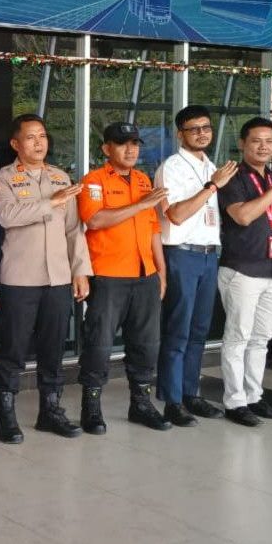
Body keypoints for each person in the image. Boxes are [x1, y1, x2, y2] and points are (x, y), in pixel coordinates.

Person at [0, 114, 90, 442]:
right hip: (20, 280)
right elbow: (6, 216)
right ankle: (6, 416)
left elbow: (74, 229)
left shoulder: (61, 178)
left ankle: (51, 411)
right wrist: (50, 203)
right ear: (16, 144)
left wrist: (80, 271)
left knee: (53, 350)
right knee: (12, 351)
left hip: (58, 279)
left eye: (43, 136)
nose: (38, 143)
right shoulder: (3, 179)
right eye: (30, 137)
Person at [76, 122, 171, 434]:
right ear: (107, 149)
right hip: (108, 277)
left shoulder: (144, 181)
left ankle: (140, 405)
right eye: (122, 144)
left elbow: (154, 230)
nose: (131, 150)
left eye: (135, 143)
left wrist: (162, 273)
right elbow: (95, 219)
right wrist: (140, 205)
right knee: (99, 345)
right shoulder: (94, 181)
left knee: (146, 343)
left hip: (145, 275)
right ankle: (91, 408)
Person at [154, 106, 238, 426]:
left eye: (206, 127)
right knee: (178, 330)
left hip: (208, 255)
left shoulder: (210, 166)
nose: (202, 133)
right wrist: (212, 187)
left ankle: (191, 393)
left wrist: (213, 182)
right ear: (180, 134)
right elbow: (175, 214)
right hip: (182, 255)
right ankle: (172, 400)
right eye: (194, 129)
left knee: (200, 330)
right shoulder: (172, 168)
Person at [216, 117, 272, 427]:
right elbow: (244, 217)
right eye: (256, 141)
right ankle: (234, 402)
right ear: (242, 143)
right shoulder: (234, 178)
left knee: (261, 339)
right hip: (242, 270)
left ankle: (254, 396)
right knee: (238, 337)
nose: (263, 146)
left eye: (269, 141)